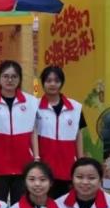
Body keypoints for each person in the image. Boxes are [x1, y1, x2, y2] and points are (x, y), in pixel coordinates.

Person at [0, 61, 35, 204]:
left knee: (22, 207)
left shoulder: (31, 102)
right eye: (5, 76)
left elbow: (34, 131)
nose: (10, 80)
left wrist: (36, 157)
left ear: (20, 79)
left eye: (14, 76)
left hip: (23, 165)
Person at [33, 66, 86, 199]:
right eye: (48, 80)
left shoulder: (75, 107)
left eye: (56, 81)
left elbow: (78, 134)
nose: (52, 84)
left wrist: (80, 160)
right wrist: (36, 159)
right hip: (44, 166)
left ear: (62, 83)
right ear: (43, 83)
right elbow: (31, 134)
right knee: (45, 203)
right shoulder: (34, 106)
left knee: (66, 204)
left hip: (67, 166)